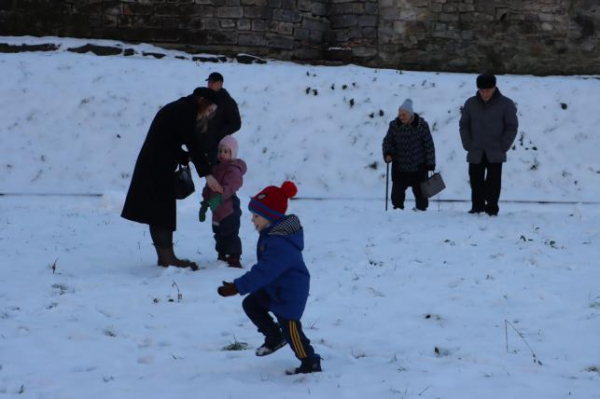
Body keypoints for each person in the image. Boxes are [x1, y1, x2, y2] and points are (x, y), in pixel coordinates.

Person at [216, 181, 322, 375]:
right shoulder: (272, 234)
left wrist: (237, 286)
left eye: (256, 216)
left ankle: (310, 361)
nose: (252, 220)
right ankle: (274, 336)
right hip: (275, 287)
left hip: (289, 293)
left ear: (271, 217)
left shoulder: (279, 243)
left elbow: (263, 272)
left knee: (292, 330)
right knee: (252, 304)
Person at [121, 87, 222, 270]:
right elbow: (192, 143)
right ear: (201, 100)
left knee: (158, 213)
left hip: (156, 164)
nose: (208, 114)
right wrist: (207, 174)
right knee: (161, 213)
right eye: (209, 110)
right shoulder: (184, 111)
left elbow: (169, 140)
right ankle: (168, 259)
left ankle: (165, 258)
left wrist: (184, 157)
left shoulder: (180, 108)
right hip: (156, 167)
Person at [459, 73, 518, 216]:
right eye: (481, 90)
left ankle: (492, 208)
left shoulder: (506, 104)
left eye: (487, 90)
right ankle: (477, 207)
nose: (484, 93)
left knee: (493, 183)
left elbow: (511, 127)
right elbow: (464, 125)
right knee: (475, 181)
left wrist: (503, 145)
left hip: (495, 150)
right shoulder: (470, 103)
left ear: (494, 88)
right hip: (475, 149)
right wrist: (467, 143)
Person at [199, 135, 247, 268]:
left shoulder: (233, 169)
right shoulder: (215, 168)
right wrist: (205, 201)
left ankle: (234, 257)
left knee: (230, 233)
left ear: (232, 153)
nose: (222, 154)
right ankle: (222, 254)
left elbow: (231, 186)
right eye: (220, 150)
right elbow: (209, 186)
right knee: (218, 233)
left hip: (229, 209)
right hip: (216, 210)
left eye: (226, 151)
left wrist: (219, 197)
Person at [382, 98, 436, 211]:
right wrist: (388, 153)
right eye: (400, 114)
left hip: (418, 166)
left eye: (404, 115)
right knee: (397, 195)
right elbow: (387, 141)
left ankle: (422, 211)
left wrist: (430, 163)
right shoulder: (394, 126)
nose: (401, 117)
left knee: (421, 194)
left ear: (410, 114)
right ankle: (397, 211)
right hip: (400, 166)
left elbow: (429, 145)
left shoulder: (422, 125)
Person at [205, 72, 242, 165]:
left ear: (220, 84)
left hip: (219, 148)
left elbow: (236, 124)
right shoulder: (206, 100)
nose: (209, 84)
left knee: (217, 174)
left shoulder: (228, 101)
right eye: (208, 82)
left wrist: (219, 135)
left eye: (212, 82)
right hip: (205, 146)